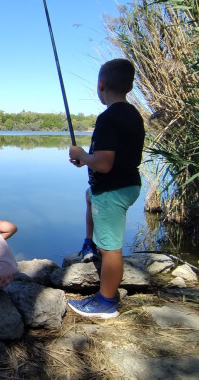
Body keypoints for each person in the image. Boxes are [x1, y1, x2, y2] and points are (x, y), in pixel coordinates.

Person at [67, 58, 145, 319]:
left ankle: (106, 302)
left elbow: (103, 164)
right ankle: (89, 243)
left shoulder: (107, 118)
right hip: (128, 183)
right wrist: (87, 160)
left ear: (100, 85)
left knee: (110, 249)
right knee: (89, 195)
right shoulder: (133, 114)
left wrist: (81, 154)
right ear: (129, 86)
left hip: (112, 191)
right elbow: (110, 158)